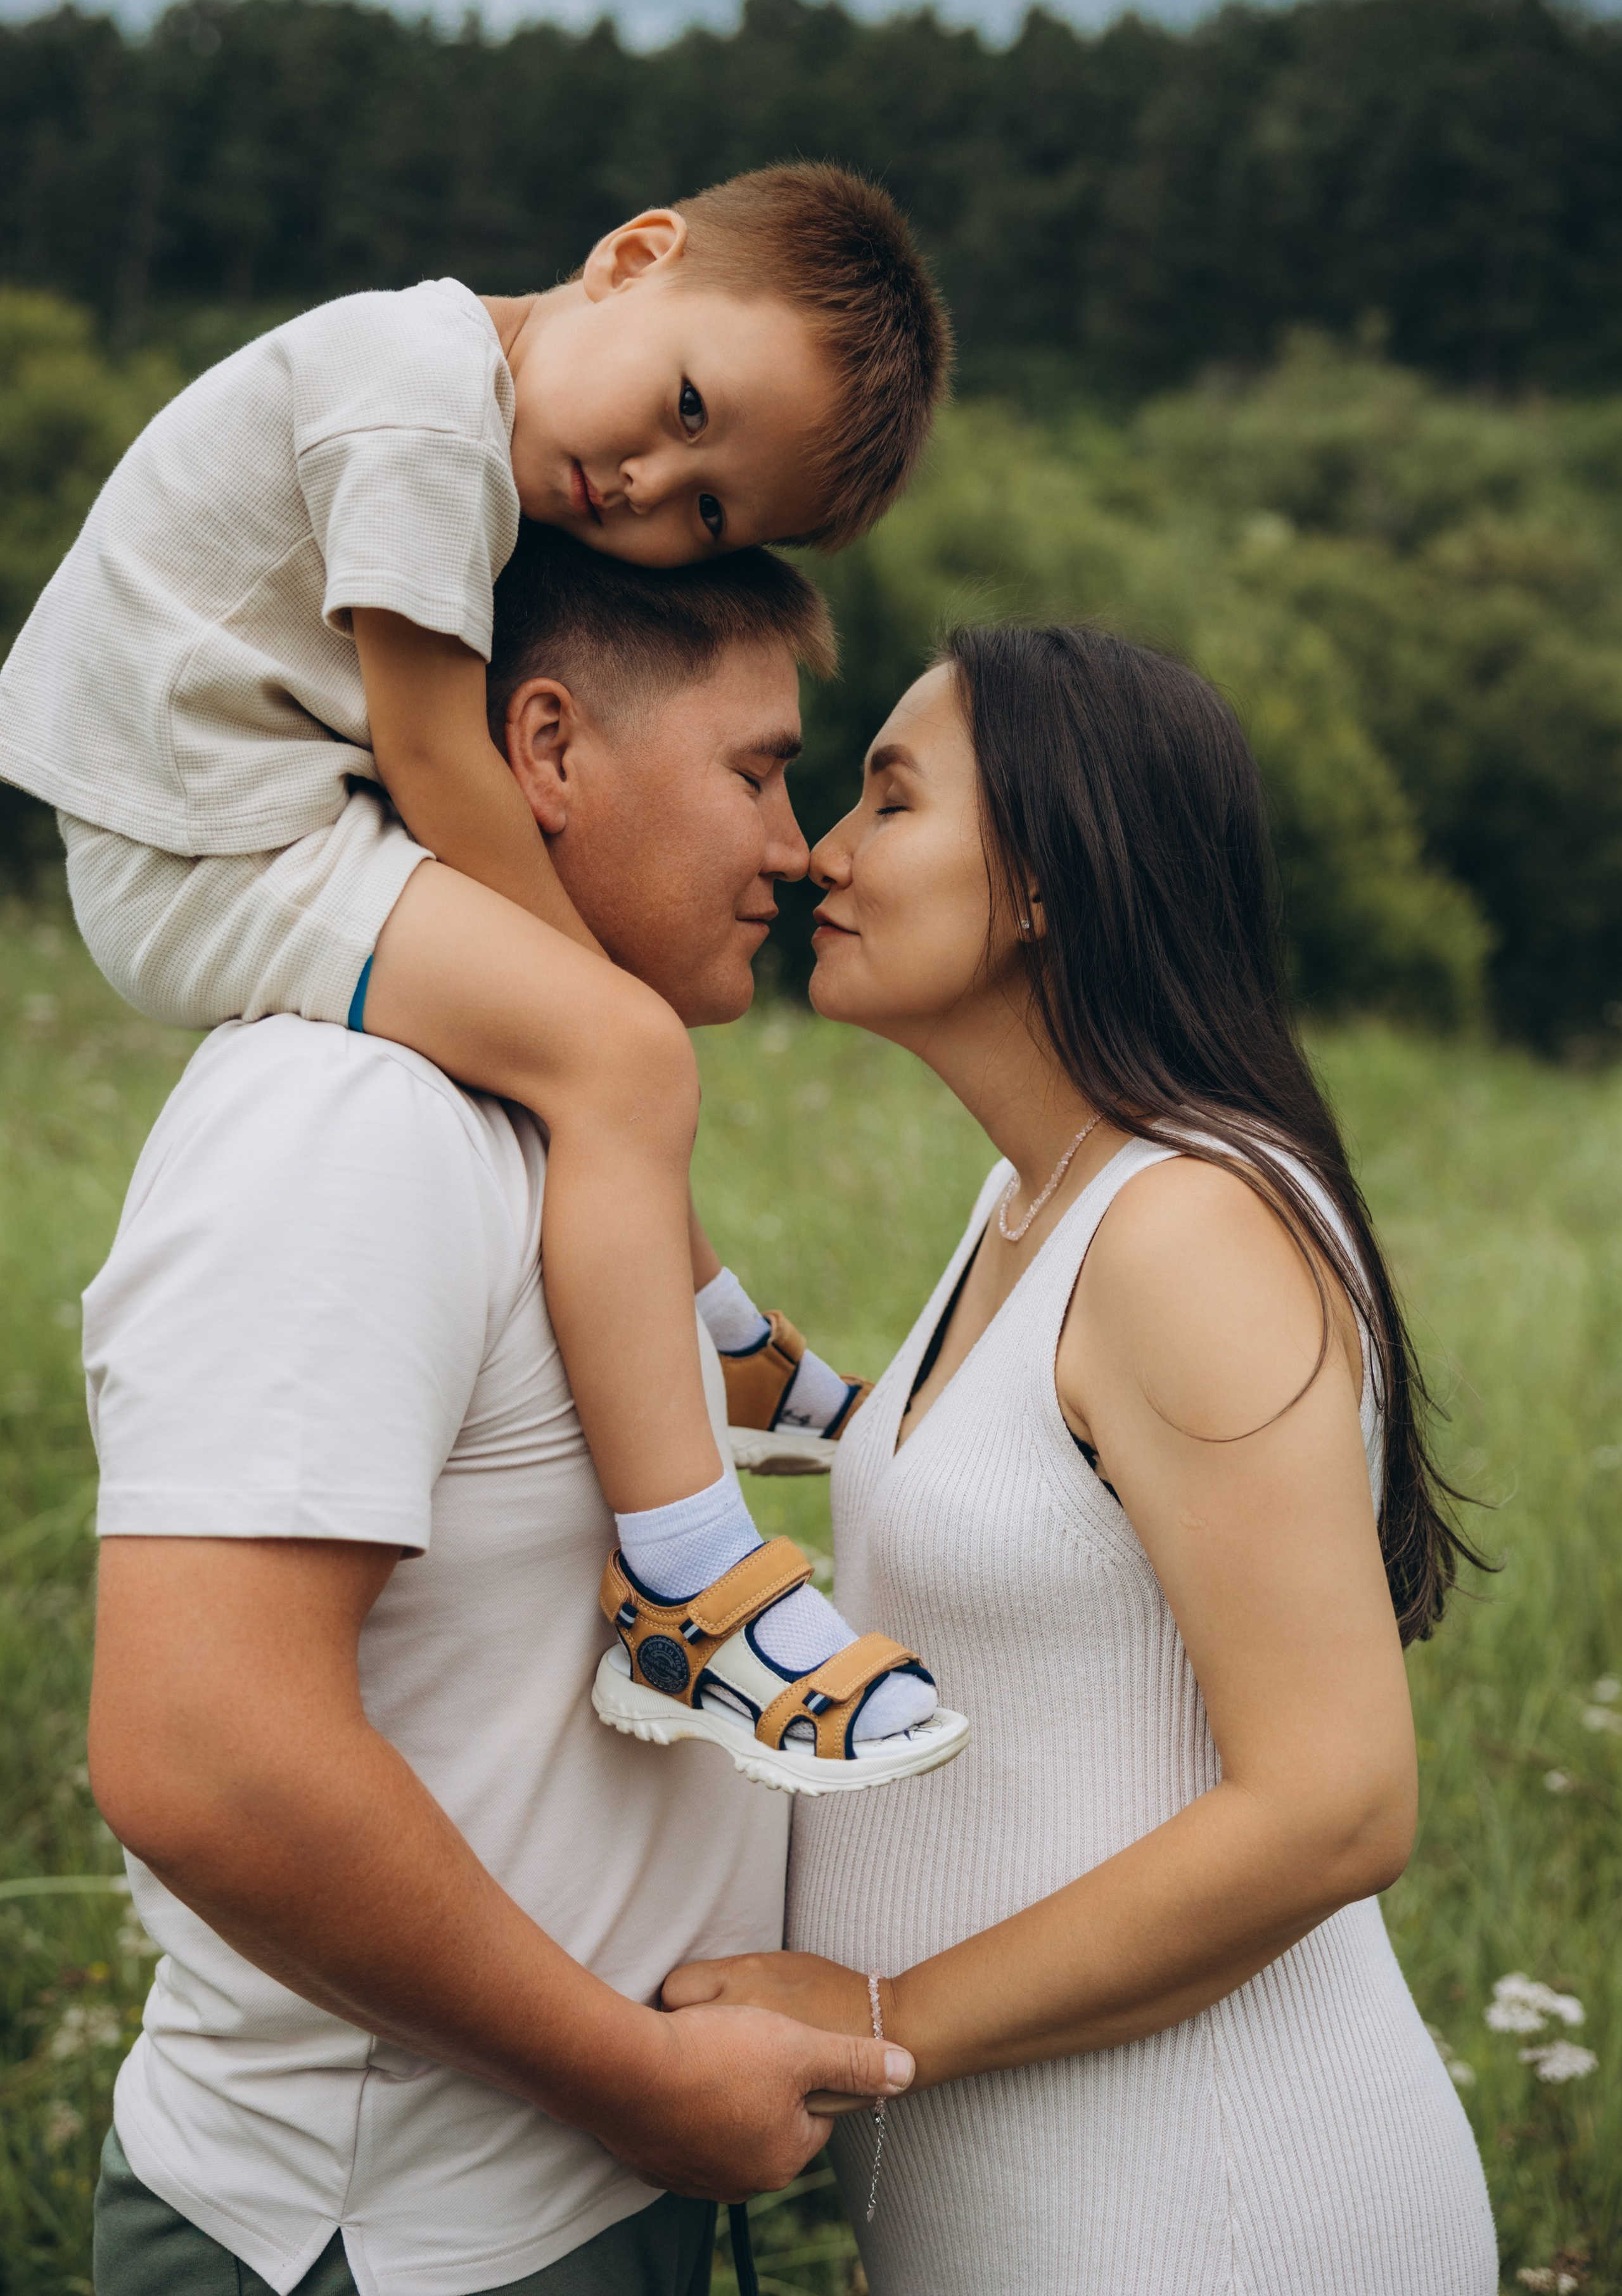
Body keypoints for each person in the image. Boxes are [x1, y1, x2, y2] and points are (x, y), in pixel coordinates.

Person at [2, 165, 955, 1786]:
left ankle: (716, 1333)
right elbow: (444, 756)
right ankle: (686, 1578)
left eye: (708, 513)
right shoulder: (419, 405)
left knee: (601, 1059)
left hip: (263, 807)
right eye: (684, 408)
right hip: (208, 837)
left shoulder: (463, 413)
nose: (646, 484)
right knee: (618, 1055)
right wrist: (601, 993)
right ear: (631, 256)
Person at [82, 530, 916, 2296]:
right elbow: (201, 1753)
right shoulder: (354, 1122)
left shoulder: (546, 1124)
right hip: (385, 2242)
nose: (794, 843)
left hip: (563, 2203)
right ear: (546, 748)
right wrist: (641, 2085)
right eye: (755, 771)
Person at [663, 625, 1501, 2293]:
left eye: (890, 800)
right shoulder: (1027, 1199)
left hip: (1215, 2208)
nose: (822, 852)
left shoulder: (1184, 1227)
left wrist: (885, 2012)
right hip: (1045, 2204)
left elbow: (1336, 1806)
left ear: (1044, 880)